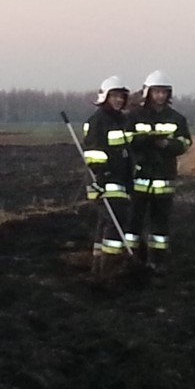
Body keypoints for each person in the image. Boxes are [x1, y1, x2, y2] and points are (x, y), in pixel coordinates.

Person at [124, 70, 192, 275]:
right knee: (133, 222)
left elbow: (185, 142)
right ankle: (132, 260)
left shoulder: (177, 118)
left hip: (164, 177)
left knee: (160, 225)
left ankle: (159, 262)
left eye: (164, 92)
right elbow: (127, 139)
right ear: (148, 93)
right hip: (139, 177)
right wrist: (146, 140)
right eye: (156, 92)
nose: (160, 96)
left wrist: (167, 145)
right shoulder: (134, 116)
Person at [83, 76, 132, 277]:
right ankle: (109, 269)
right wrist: (102, 177)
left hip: (120, 179)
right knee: (114, 223)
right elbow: (93, 153)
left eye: (121, 96)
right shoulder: (97, 121)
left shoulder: (121, 120)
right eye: (114, 96)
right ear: (105, 97)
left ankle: (97, 266)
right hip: (105, 180)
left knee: (105, 222)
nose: (119, 100)